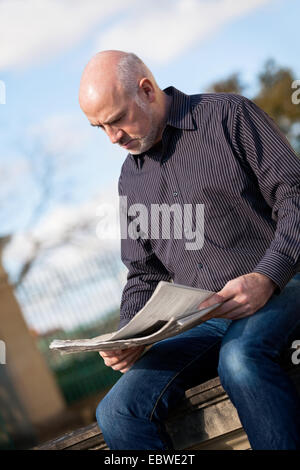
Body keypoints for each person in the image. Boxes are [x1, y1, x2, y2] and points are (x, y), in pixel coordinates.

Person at [78, 50, 300, 450]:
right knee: (116, 412)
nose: (112, 137)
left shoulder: (229, 115)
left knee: (240, 360)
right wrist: (131, 336)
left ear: (146, 90)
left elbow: (295, 197)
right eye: (100, 127)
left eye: (116, 120)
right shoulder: (131, 179)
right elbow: (145, 273)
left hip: (286, 286)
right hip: (203, 322)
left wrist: (268, 275)